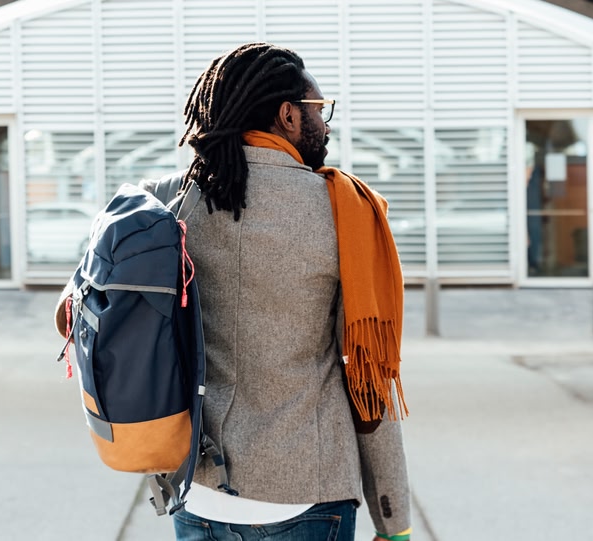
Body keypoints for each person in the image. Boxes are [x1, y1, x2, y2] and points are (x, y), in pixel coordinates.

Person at [61, 42, 412, 541]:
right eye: (320, 110)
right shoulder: (344, 213)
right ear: (288, 116)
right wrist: (393, 519)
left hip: (197, 490)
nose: (327, 124)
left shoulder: (172, 203)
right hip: (304, 491)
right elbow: (368, 380)